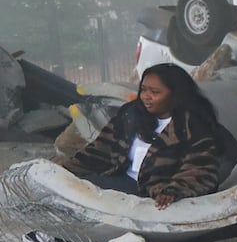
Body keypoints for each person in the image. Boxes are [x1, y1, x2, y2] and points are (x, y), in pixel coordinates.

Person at [64, 63, 224, 208]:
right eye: (143, 89)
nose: (146, 96)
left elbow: (200, 169)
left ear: (176, 95)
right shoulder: (131, 114)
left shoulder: (193, 126)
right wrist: (68, 169)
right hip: (123, 181)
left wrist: (173, 191)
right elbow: (100, 149)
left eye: (155, 92)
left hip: (157, 194)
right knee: (70, 185)